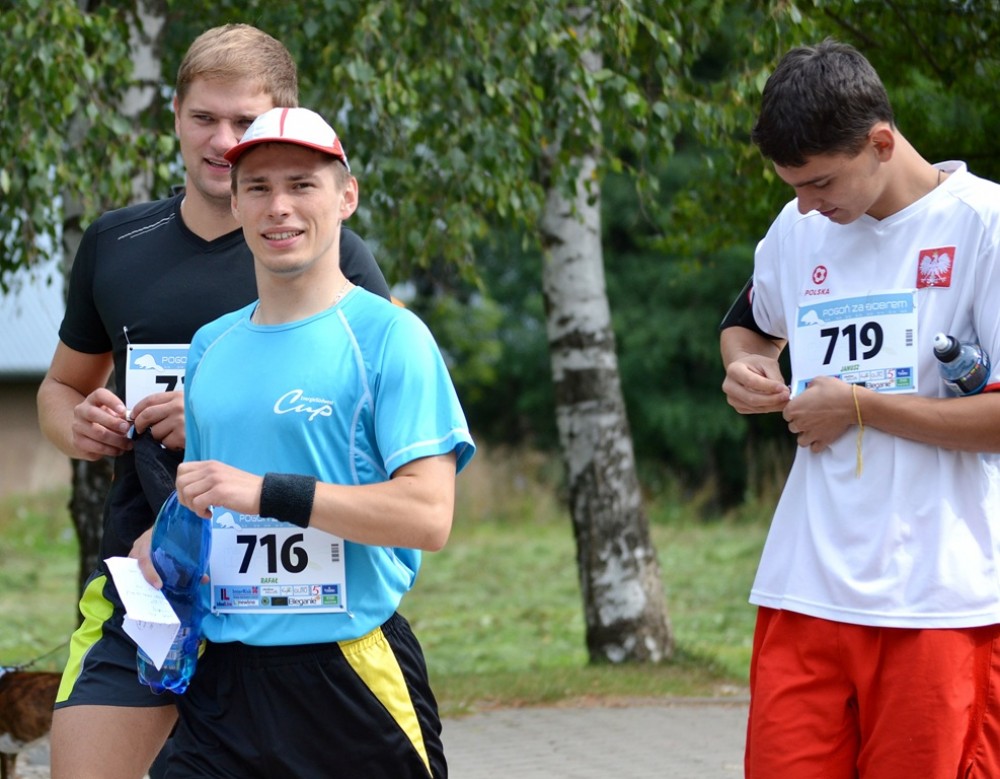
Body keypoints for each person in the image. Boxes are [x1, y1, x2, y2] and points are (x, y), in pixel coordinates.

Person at [36, 24, 391, 779]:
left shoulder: (329, 252)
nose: (223, 141)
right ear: (174, 114)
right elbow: (61, 386)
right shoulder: (116, 244)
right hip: (149, 580)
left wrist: (217, 416)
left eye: (244, 121)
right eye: (204, 117)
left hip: (293, 595)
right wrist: (77, 423)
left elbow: (370, 428)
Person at [146, 105, 474, 778]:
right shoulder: (210, 346)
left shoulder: (391, 336)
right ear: (235, 204)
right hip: (225, 685)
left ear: (346, 196)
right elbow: (214, 502)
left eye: (302, 184)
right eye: (259, 188)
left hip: (349, 677)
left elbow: (427, 515)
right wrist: (164, 544)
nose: (279, 207)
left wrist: (268, 493)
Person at [720, 40, 1000, 778]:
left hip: (937, 603)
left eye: (819, 182)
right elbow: (747, 322)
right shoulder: (799, 227)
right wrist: (746, 367)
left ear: (881, 142)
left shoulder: (984, 224)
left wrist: (858, 407)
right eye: (792, 186)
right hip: (803, 592)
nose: (806, 204)